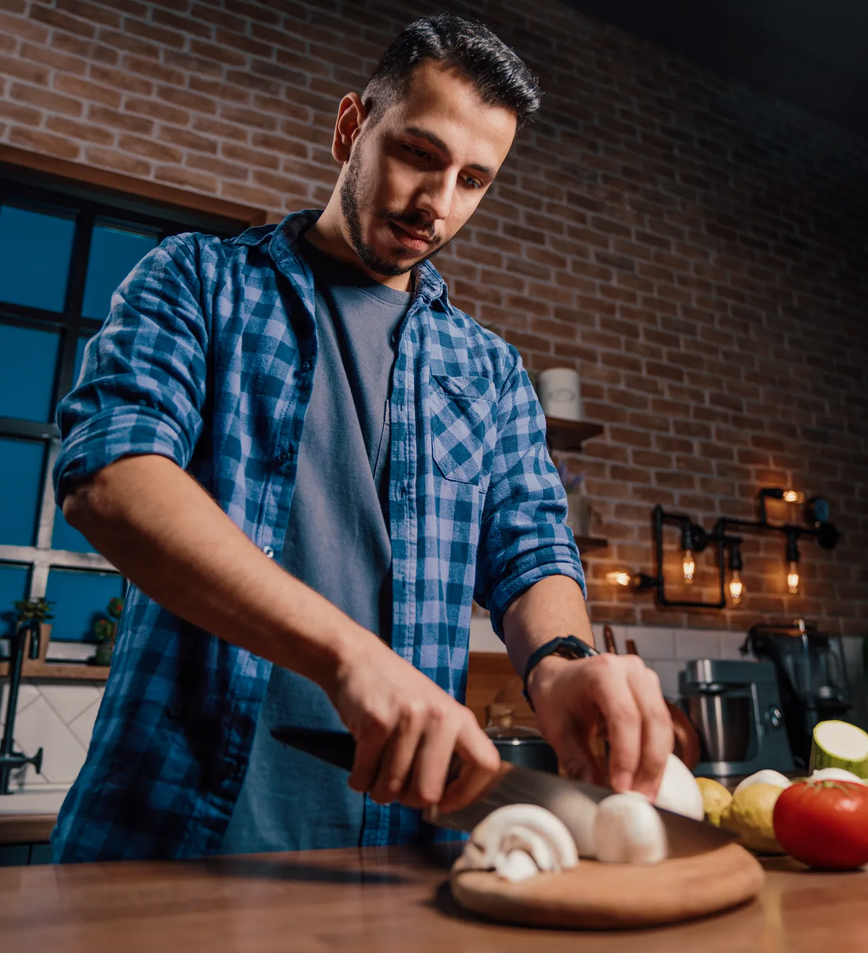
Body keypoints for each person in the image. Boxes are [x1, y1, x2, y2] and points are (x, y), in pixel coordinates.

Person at [51, 13, 672, 863]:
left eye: (474, 179)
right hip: (164, 826)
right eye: (419, 154)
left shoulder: (490, 371)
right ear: (352, 127)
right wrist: (349, 656)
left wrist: (561, 663)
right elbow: (110, 475)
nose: (437, 204)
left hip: (394, 858)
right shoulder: (196, 281)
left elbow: (531, 546)